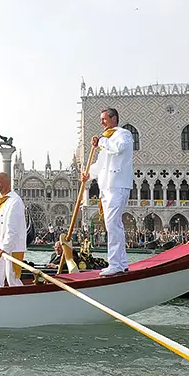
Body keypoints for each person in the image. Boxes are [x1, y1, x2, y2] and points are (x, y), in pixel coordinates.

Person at [82, 107, 134, 277]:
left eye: (104, 118)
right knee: (114, 224)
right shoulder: (107, 139)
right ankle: (122, 263)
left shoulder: (123, 134)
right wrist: (89, 175)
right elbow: (101, 164)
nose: (101, 122)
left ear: (114, 118)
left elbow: (118, 148)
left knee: (112, 224)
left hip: (117, 185)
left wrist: (101, 142)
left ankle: (115, 264)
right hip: (107, 187)